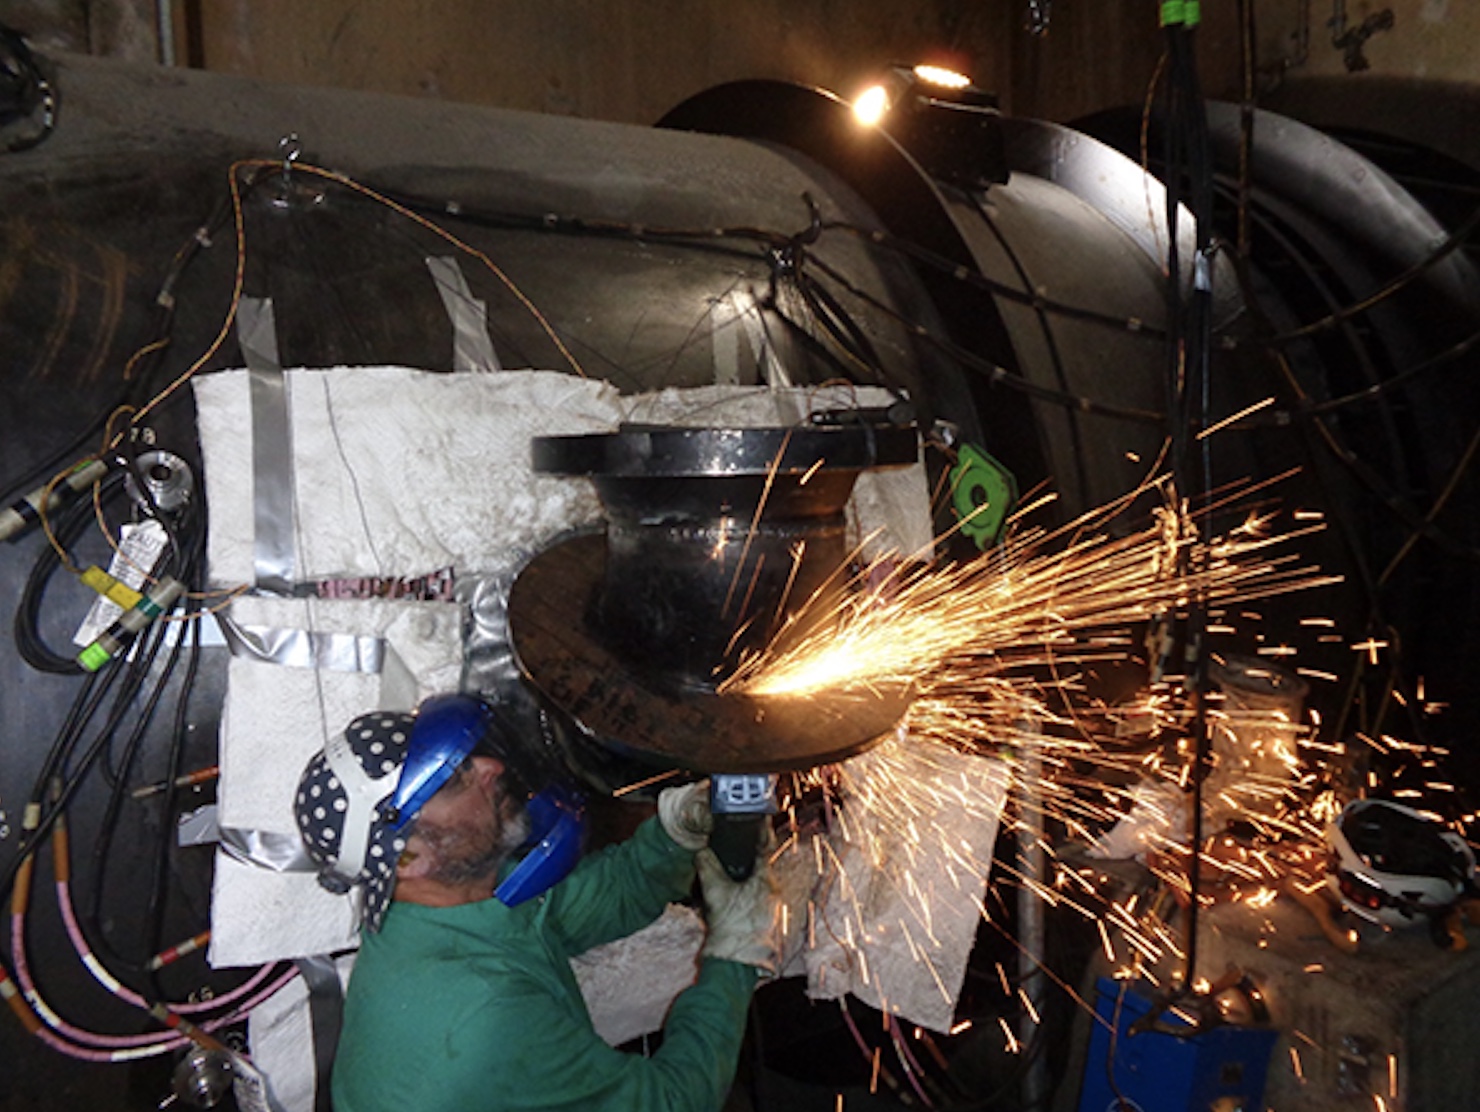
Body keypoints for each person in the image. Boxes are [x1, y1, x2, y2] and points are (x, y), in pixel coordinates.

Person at [292, 692, 778, 1112]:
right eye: (455, 778)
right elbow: (672, 1102)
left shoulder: (445, 905)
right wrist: (734, 954)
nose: (491, 767)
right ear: (408, 859)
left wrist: (673, 837)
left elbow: (591, 904)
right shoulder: (483, 1014)